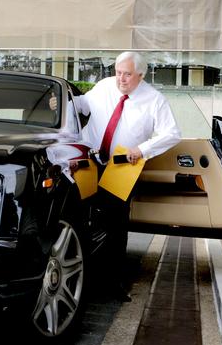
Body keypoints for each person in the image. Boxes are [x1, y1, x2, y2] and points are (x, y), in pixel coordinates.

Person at [76, 51, 181, 301]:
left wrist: (142, 150)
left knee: (115, 226)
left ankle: (112, 284)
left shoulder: (155, 100)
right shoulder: (103, 87)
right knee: (81, 218)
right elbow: (82, 105)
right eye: (118, 72)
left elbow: (172, 134)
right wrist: (59, 103)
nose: (120, 79)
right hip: (90, 160)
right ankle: (85, 281)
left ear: (141, 75)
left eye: (127, 74)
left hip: (122, 166)